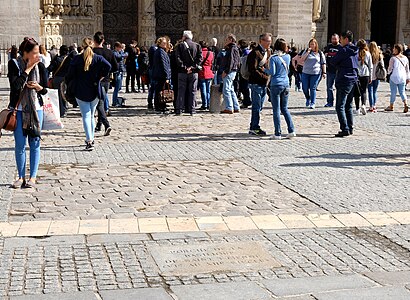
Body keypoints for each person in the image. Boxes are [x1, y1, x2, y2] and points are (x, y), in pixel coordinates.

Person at [8, 37, 49, 189]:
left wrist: (38, 87)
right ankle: (20, 176)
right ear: (26, 53)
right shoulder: (14, 64)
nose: (38, 56)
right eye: (35, 53)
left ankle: (32, 177)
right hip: (18, 111)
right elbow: (16, 86)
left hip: (36, 109)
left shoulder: (42, 66)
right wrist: (27, 70)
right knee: (19, 145)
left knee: (35, 143)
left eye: (38, 52)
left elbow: (45, 89)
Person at [65, 38, 111, 151]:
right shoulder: (98, 58)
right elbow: (109, 66)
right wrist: (100, 77)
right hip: (94, 89)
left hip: (81, 90)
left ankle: (89, 140)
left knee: (86, 115)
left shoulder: (77, 59)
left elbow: (69, 74)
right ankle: (92, 138)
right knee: (91, 115)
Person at [264, 38, 295, 140]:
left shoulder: (274, 58)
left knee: (276, 110)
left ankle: (277, 133)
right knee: (285, 108)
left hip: (276, 85)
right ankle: (291, 130)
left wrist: (264, 69)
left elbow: (272, 72)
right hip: (286, 84)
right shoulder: (288, 57)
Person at [330, 30, 359, 137]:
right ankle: (350, 127)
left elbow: (333, 61)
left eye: (341, 39)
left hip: (344, 79)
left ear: (346, 39)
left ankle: (344, 128)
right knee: (348, 106)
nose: (340, 41)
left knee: (340, 106)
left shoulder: (344, 50)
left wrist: (339, 65)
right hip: (353, 80)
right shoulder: (355, 50)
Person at [93, 31, 118, 135]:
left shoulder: (91, 51)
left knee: (99, 103)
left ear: (94, 40)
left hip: (94, 81)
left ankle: (106, 124)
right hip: (106, 80)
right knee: (101, 101)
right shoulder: (109, 52)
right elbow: (115, 67)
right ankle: (99, 125)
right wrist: (107, 73)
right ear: (103, 41)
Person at [247, 33, 272, 136]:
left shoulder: (267, 52)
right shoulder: (255, 53)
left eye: (270, 41)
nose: (269, 43)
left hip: (262, 84)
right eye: (268, 41)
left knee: (259, 106)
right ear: (261, 41)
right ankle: (254, 127)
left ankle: (254, 125)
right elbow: (253, 69)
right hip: (256, 83)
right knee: (256, 107)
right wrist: (265, 77)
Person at [175, 30, 202, 115]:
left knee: (181, 91)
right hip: (193, 72)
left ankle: (179, 109)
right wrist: (193, 67)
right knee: (193, 91)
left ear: (184, 37)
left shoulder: (180, 46)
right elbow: (200, 59)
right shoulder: (197, 46)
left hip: (182, 72)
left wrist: (185, 67)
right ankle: (192, 110)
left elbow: (178, 58)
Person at [300, 38, 326, 109]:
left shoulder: (320, 53)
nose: (311, 45)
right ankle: (308, 98)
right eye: (310, 44)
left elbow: (323, 63)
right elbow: (302, 59)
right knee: (304, 88)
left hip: (316, 73)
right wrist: (307, 52)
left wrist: (324, 72)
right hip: (306, 72)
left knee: (313, 88)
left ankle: (313, 102)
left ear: (315, 45)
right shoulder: (306, 51)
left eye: (313, 44)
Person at [47, 45, 72, 117]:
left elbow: (50, 68)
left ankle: (61, 111)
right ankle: (65, 108)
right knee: (64, 94)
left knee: (58, 96)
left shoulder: (57, 59)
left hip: (57, 79)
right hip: (66, 79)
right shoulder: (70, 59)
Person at [385, 44, 410, 113]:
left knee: (393, 92)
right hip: (402, 77)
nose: (393, 50)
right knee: (402, 92)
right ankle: (405, 104)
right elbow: (407, 69)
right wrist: (408, 77)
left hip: (394, 76)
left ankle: (391, 105)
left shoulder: (393, 58)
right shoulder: (405, 58)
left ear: (397, 49)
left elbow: (390, 69)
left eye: (394, 48)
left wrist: (387, 73)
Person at [220, 34, 241, 114]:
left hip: (230, 71)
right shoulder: (235, 48)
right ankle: (236, 106)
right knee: (231, 89)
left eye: (227, 39)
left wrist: (226, 71)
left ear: (231, 40)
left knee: (226, 90)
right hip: (233, 70)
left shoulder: (232, 48)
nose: (225, 41)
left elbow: (231, 61)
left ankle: (229, 107)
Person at [152, 37, 172, 114]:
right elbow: (164, 65)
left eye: (165, 43)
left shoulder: (160, 51)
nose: (165, 44)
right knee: (160, 91)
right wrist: (167, 76)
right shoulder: (160, 52)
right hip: (161, 75)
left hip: (159, 74)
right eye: (163, 43)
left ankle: (160, 105)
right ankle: (160, 106)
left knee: (159, 90)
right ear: (159, 43)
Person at [354, 39, 372, 115]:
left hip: (357, 74)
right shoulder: (368, 54)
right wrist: (371, 76)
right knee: (364, 91)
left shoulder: (355, 54)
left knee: (356, 92)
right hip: (366, 74)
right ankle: (364, 105)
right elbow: (370, 66)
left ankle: (357, 108)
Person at [324, 34, 340, 107]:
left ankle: (339, 102)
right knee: (329, 87)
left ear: (338, 39)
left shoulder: (341, 47)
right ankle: (330, 102)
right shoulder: (328, 47)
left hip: (338, 70)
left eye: (335, 39)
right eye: (333, 39)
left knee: (339, 87)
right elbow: (324, 55)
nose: (334, 40)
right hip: (330, 70)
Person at [198, 41, 214, 110]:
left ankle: (204, 104)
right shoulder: (211, 53)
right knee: (208, 90)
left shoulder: (200, 53)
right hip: (209, 72)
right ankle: (209, 103)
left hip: (202, 72)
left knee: (203, 89)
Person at [368, 41, 384, 112]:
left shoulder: (368, 55)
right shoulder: (379, 55)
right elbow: (382, 66)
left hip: (370, 75)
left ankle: (371, 106)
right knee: (374, 91)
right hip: (377, 75)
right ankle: (374, 105)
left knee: (370, 91)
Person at [112, 42, 127, 107]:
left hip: (121, 70)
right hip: (117, 71)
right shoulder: (114, 53)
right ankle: (115, 102)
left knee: (119, 87)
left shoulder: (119, 52)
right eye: (119, 47)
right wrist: (124, 54)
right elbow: (119, 56)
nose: (120, 49)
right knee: (116, 87)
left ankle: (117, 100)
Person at [238, 39, 252, 109]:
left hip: (244, 72)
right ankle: (246, 100)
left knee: (244, 88)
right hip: (244, 72)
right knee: (244, 88)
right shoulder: (246, 52)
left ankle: (247, 101)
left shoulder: (246, 52)